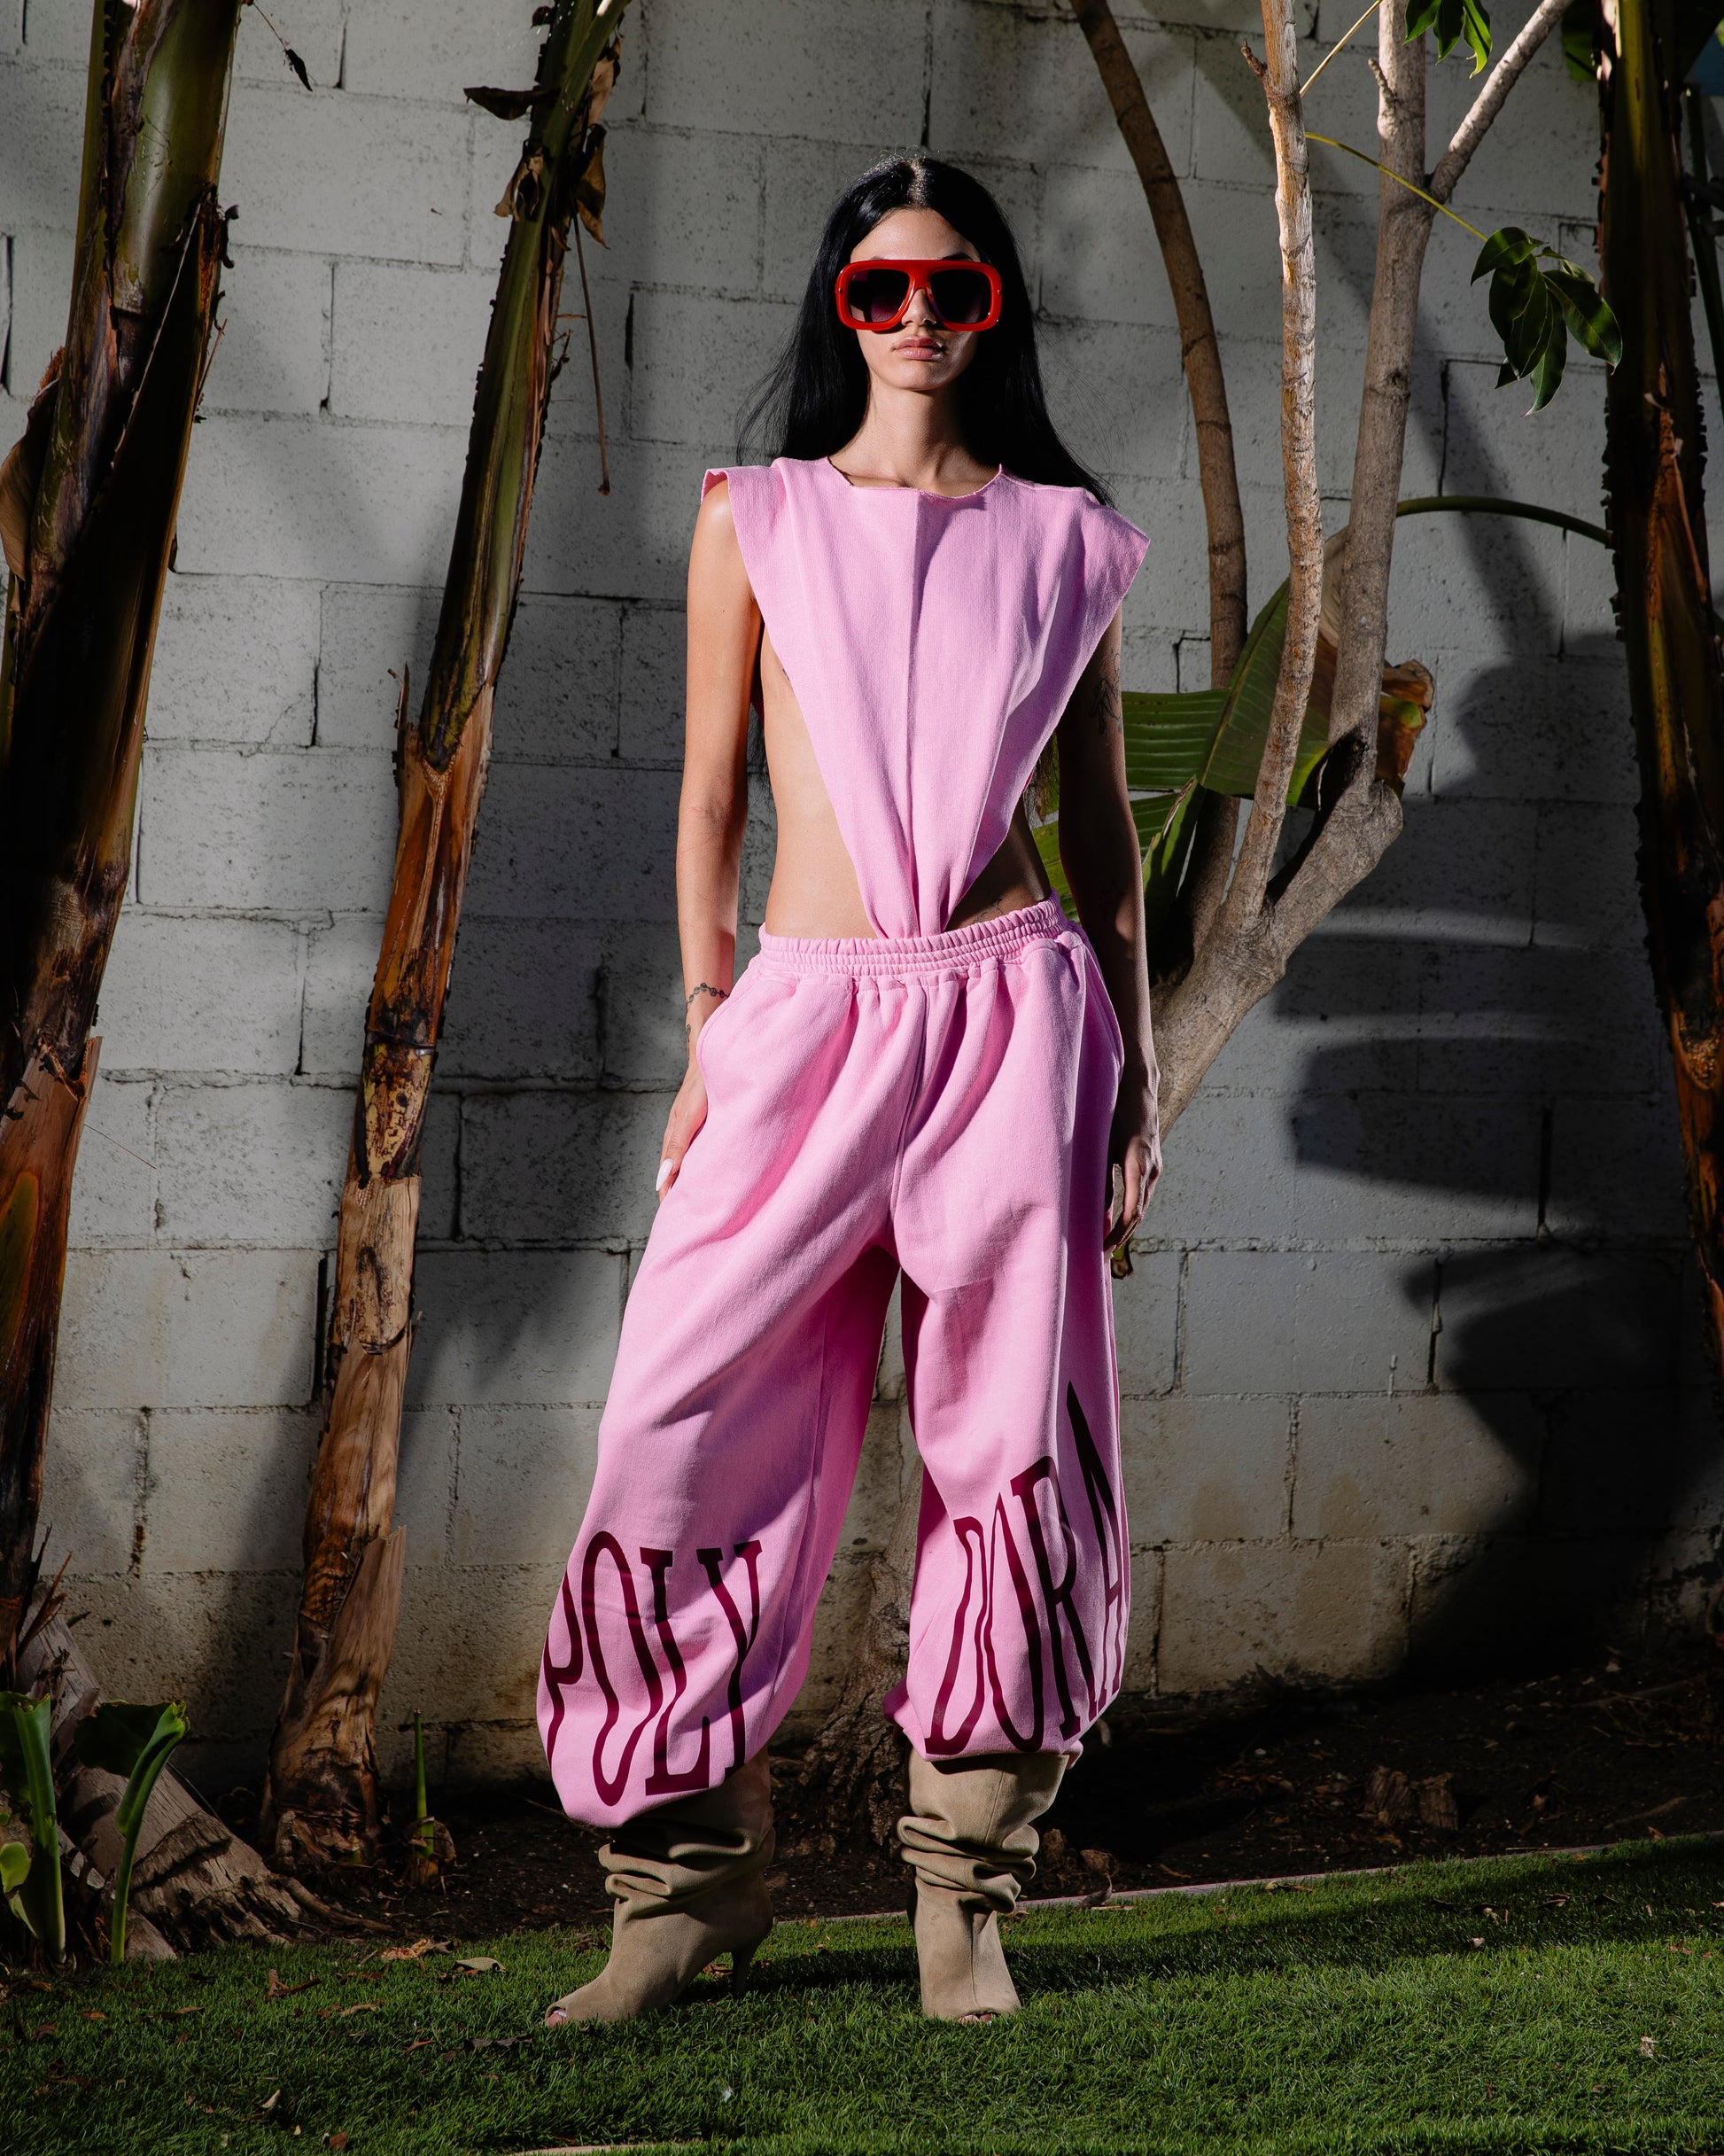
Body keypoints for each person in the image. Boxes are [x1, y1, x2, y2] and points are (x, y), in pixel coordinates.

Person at [537, 153, 1159, 2028]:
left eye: (947, 291)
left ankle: (960, 1894)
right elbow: (710, 800)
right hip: (802, 1024)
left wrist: (1128, 1092)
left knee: (1012, 1445)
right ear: (839, 312)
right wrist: (714, 1022)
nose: (910, 322)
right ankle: (679, 1892)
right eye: (874, 294)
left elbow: (1112, 846)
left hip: (1012, 1018)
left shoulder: (1067, 538)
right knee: (673, 1419)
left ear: (992, 314)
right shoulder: (760, 514)